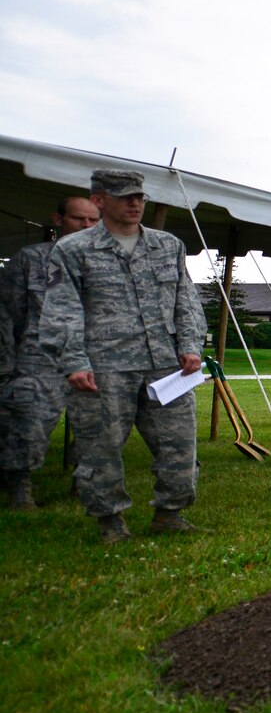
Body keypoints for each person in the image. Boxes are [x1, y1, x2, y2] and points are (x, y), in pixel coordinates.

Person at [37, 170, 205, 543]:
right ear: (99, 200)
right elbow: (63, 308)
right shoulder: (73, 250)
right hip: (103, 367)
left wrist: (191, 346)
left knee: (179, 441)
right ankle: (110, 522)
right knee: (101, 448)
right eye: (125, 197)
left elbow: (186, 301)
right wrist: (74, 361)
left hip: (166, 365)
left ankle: (170, 513)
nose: (135, 203)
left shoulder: (168, 246)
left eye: (140, 197)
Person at [1, 195, 101, 508]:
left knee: (100, 423)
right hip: (40, 358)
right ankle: (19, 483)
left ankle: (85, 481)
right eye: (77, 219)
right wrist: (6, 367)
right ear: (58, 220)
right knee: (28, 419)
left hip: (93, 358)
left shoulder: (107, 264)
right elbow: (7, 315)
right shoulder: (30, 259)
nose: (86, 226)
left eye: (93, 220)